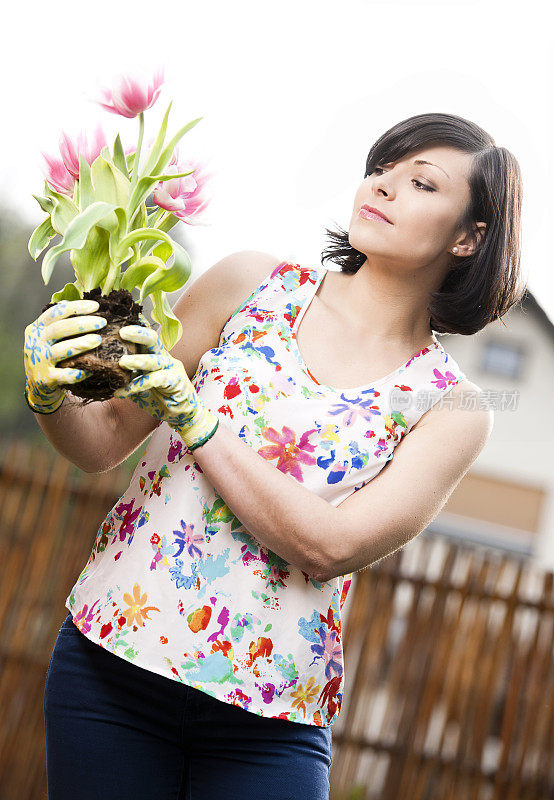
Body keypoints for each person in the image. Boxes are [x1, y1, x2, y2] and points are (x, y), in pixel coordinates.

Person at [24, 112, 523, 799]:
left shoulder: (449, 407)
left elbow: (330, 545)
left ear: (470, 237)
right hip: (112, 666)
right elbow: (104, 439)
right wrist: (52, 397)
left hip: (267, 721)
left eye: (421, 183)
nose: (382, 187)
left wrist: (197, 419)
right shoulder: (247, 284)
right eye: (382, 168)